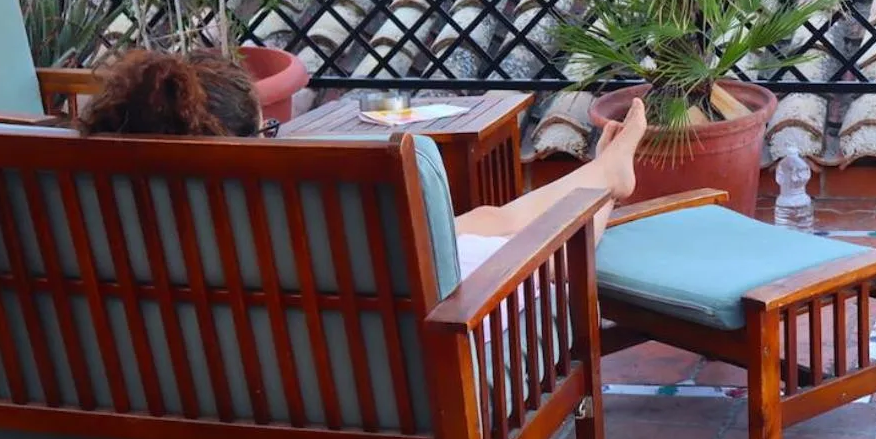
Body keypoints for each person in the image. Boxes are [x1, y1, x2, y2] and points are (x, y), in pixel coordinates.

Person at [77, 48, 647, 282]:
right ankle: (601, 186)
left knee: (485, 222)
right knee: (550, 249)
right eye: (268, 129)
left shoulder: (97, 215)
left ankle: (602, 173)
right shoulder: (287, 211)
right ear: (243, 139)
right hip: (426, 366)